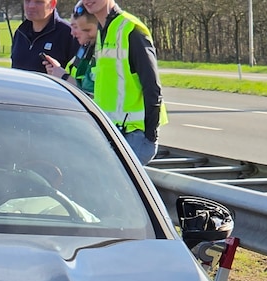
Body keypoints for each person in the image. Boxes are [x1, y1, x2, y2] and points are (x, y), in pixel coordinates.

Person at [82, 0, 166, 165]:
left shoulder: (130, 29)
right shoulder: (103, 29)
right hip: (112, 132)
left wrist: (150, 136)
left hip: (134, 135)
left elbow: (152, 86)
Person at [41, 3, 98, 95]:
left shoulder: (100, 53)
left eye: (76, 27)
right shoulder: (85, 48)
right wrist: (57, 70)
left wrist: (63, 76)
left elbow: (88, 93)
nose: (72, 33)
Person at [11, 0, 77, 73]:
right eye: (27, 1)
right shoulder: (20, 32)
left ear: (52, 4)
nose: (31, 6)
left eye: (39, 2)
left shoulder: (70, 33)